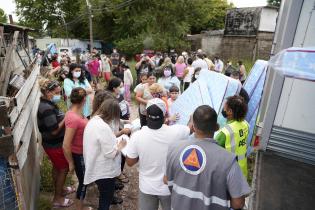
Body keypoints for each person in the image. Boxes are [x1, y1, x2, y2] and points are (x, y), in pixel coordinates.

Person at [165, 105, 251, 210]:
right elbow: (238, 204)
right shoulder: (229, 161)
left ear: (193, 127)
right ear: (217, 127)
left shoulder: (173, 148)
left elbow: (166, 180)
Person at [125, 98, 191, 210]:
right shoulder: (177, 132)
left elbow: (130, 162)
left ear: (146, 115)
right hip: (169, 187)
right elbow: (190, 128)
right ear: (165, 114)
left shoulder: (137, 136)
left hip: (147, 187)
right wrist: (191, 118)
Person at [83, 99, 127, 210]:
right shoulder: (103, 127)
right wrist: (120, 145)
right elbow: (110, 154)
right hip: (103, 172)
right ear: (113, 113)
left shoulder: (94, 121)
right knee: (105, 198)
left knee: (105, 193)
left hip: (95, 164)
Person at [37, 78, 74, 208]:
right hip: (54, 145)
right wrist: (67, 117)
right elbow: (54, 131)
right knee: (63, 169)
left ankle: (61, 190)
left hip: (52, 144)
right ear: (48, 92)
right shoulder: (46, 108)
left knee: (57, 167)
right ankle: (57, 199)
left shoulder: (48, 104)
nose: (59, 95)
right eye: (57, 92)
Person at [63, 87, 89, 210]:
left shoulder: (75, 112)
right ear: (84, 99)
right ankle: (79, 207)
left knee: (84, 181)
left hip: (82, 153)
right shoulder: (73, 118)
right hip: (78, 154)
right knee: (83, 182)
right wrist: (71, 163)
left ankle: (80, 206)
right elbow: (66, 144)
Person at [215, 96, 249, 178]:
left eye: (224, 108)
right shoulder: (245, 124)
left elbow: (212, 149)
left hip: (229, 173)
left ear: (230, 111)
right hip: (242, 169)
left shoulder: (225, 132)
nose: (223, 110)